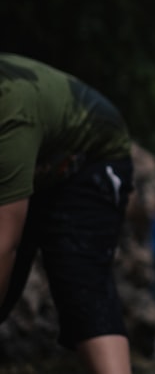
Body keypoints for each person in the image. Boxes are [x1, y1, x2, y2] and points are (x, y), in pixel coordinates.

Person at [0, 53, 135, 374]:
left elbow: (4, 243)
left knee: (81, 282)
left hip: (90, 160)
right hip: (36, 162)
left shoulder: (11, 111)